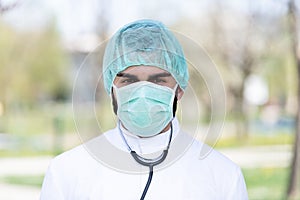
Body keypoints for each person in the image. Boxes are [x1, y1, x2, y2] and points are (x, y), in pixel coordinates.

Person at [40, 19, 248, 200]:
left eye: (158, 81)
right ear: (110, 88)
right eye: (128, 81)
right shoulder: (66, 173)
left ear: (180, 90)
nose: (142, 92)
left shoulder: (223, 176)